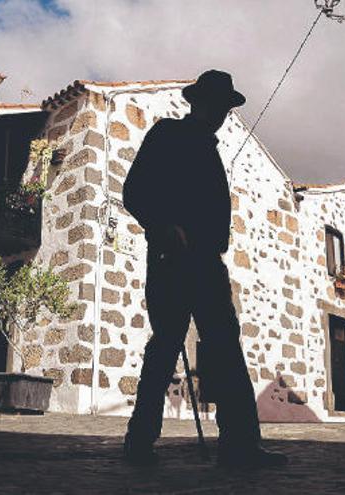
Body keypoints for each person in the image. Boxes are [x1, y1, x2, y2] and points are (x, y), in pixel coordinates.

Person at [122, 69, 287, 469]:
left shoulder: (210, 150)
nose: (222, 113)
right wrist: (163, 226)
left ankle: (240, 447)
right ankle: (139, 442)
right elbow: (134, 192)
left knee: (226, 350)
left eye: (226, 107)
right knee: (165, 348)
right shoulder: (167, 135)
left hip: (208, 265)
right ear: (198, 102)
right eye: (217, 105)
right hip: (171, 260)